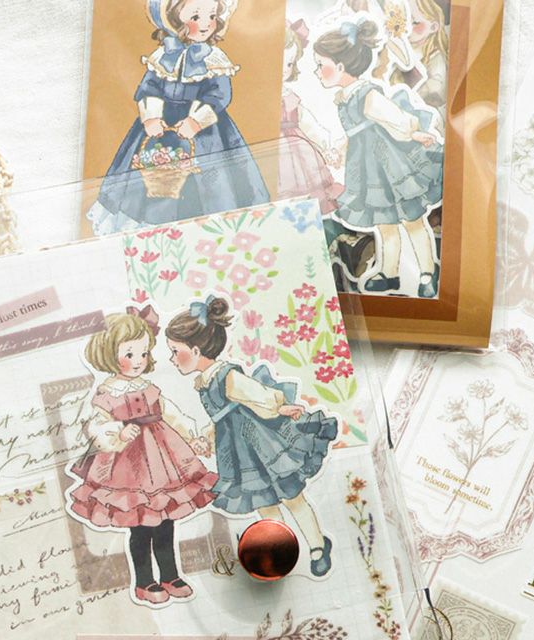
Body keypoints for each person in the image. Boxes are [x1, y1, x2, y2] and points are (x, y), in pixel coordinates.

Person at [164, 296, 337, 576]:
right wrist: (207, 438)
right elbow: (222, 418)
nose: (172, 359)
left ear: (195, 350)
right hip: (238, 454)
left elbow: (259, 396)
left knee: (292, 495)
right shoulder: (204, 382)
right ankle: (282, 548)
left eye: (175, 351)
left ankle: (318, 546)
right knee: (264, 503)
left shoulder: (227, 376)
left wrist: (280, 407)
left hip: (262, 445)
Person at [68, 306, 217, 605]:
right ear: (109, 354)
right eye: (130, 354)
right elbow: (94, 426)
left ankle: (170, 575)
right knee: (140, 527)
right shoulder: (107, 392)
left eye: (144, 353)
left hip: (163, 461)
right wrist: (118, 432)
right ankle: (144, 582)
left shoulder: (149, 388)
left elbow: (172, 414)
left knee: (165, 521)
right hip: (128, 467)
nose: (138, 361)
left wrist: (194, 437)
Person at [88, 0, 268, 234]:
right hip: (162, 127)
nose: (206, 24)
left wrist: (196, 121)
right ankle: (152, 231)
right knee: (150, 174)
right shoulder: (164, 55)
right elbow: (149, 88)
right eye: (195, 17)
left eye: (212, 15)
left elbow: (220, 95)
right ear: (174, 19)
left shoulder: (214, 60)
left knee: (211, 181)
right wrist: (151, 117)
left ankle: (207, 232)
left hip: (206, 133)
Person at [313, 18, 442, 298]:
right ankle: (389, 273)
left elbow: (397, 119)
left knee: (412, 218)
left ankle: (427, 272)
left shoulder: (367, 95)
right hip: (367, 170)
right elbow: (356, 133)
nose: (317, 71)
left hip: (390, 165)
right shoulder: (345, 97)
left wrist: (414, 133)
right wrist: (340, 150)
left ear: (341, 67)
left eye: (321, 64)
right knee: (384, 223)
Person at [279, 18, 343, 214]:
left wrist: (326, 146)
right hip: (270, 155)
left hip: (299, 154)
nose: (284, 69)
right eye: (278, 62)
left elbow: (309, 125)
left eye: (289, 63)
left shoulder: (289, 97)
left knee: (304, 196)